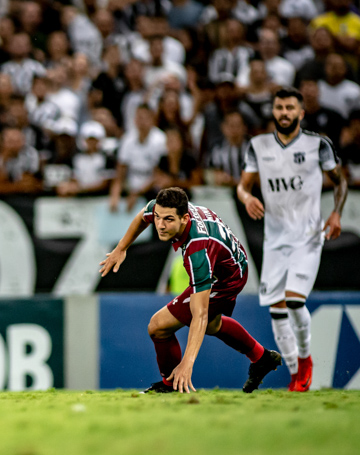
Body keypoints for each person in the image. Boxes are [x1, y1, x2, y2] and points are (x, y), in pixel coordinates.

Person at [99, 187, 282, 394]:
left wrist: (187, 363)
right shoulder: (166, 209)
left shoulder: (198, 250)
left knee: (158, 327)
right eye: (158, 217)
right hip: (230, 261)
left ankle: (170, 384)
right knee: (213, 326)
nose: (160, 225)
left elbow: (200, 314)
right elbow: (143, 215)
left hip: (225, 278)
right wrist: (121, 248)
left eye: (168, 220)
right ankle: (262, 357)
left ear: (185, 218)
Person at [237, 87, 348, 391]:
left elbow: (340, 182)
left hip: (308, 237)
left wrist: (336, 213)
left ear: (301, 112)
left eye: (290, 108)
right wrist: (247, 197)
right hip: (274, 239)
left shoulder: (318, 145)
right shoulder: (257, 146)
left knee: (295, 301)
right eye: (279, 108)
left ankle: (306, 360)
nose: (284, 113)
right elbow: (242, 186)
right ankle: (295, 373)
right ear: (273, 111)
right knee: (276, 307)